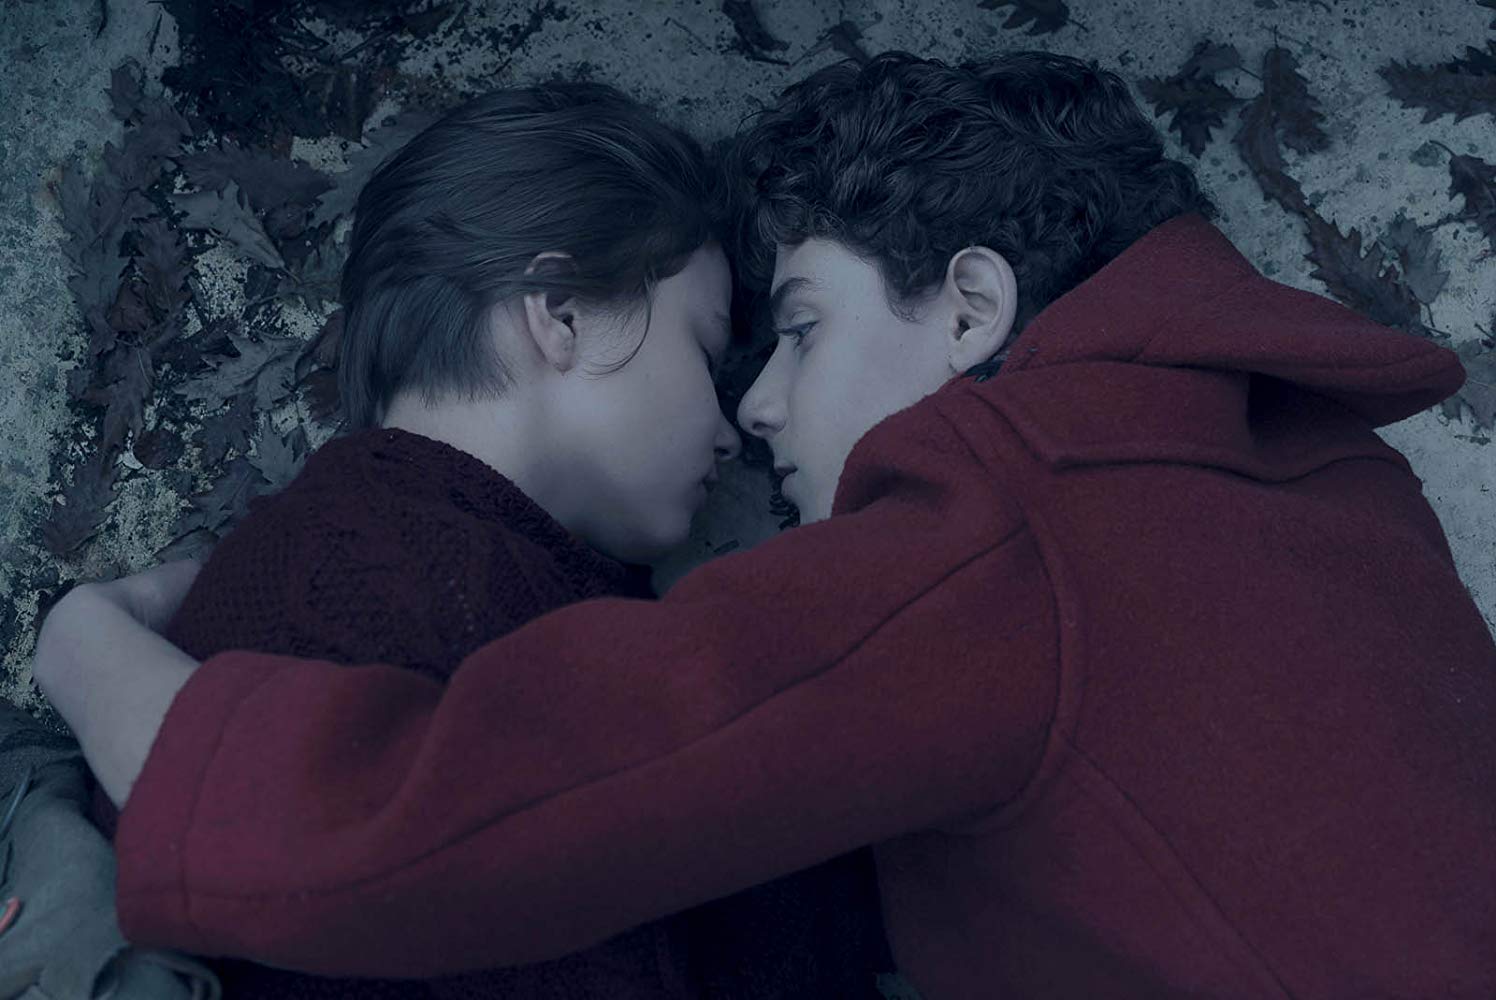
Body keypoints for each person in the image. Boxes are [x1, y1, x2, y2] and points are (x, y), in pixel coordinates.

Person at [37, 51, 1496, 999]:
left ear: (971, 309)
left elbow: (404, 831)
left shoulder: (1009, 516)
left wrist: (84, 638)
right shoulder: (1329, 486)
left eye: (796, 329)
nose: (758, 407)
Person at [79, 83, 892, 999]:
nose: (731, 428)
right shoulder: (378, 578)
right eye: (706, 354)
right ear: (561, 314)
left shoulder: (423, 555)